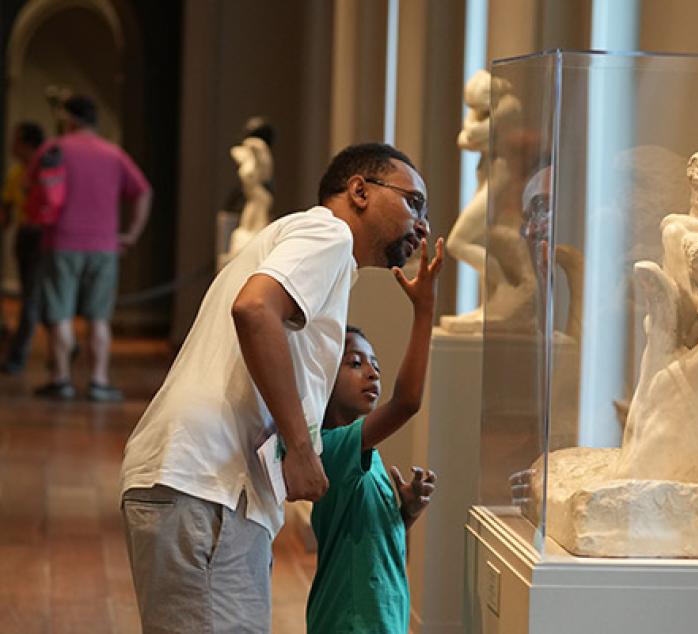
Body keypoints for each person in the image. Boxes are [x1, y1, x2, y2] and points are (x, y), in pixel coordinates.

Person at [120, 142, 431, 632]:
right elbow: (254, 309)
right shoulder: (327, 233)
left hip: (213, 488)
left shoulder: (318, 249)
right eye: (413, 202)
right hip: (208, 485)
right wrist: (302, 447)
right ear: (359, 191)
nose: (422, 225)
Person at [308, 236, 443, 633]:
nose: (372, 372)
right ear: (324, 381)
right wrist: (424, 309)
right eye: (355, 363)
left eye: (376, 365)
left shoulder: (369, 456)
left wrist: (403, 512)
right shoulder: (330, 448)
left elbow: (365, 539)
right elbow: (407, 402)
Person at [33, 95, 152, 400]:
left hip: (60, 241)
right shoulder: (113, 154)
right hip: (103, 245)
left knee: (60, 314)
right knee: (98, 318)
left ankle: (61, 380)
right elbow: (143, 191)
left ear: (68, 119)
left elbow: (31, 188)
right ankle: (99, 381)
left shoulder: (54, 148)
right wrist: (132, 233)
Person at [1, 121, 45, 372]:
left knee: (32, 299)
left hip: (40, 237)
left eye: (16, 140)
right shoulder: (17, 172)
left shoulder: (43, 171)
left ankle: (18, 356)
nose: (12, 146)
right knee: (35, 297)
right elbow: (7, 209)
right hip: (25, 235)